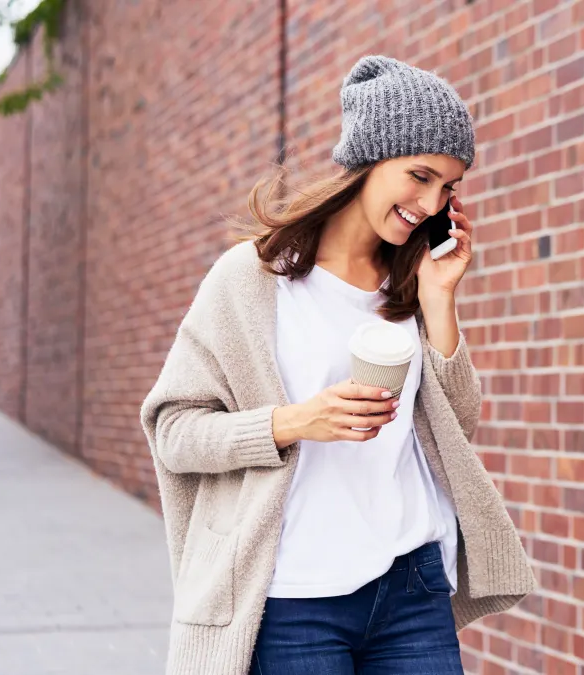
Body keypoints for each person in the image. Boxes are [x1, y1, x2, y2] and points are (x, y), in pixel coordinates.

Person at [140, 55, 536, 675]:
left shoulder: (411, 284)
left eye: (449, 188)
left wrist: (439, 301)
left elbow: (456, 430)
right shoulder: (251, 280)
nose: (431, 203)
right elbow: (174, 434)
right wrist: (293, 422)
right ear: (369, 161)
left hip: (410, 586)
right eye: (420, 176)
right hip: (294, 595)